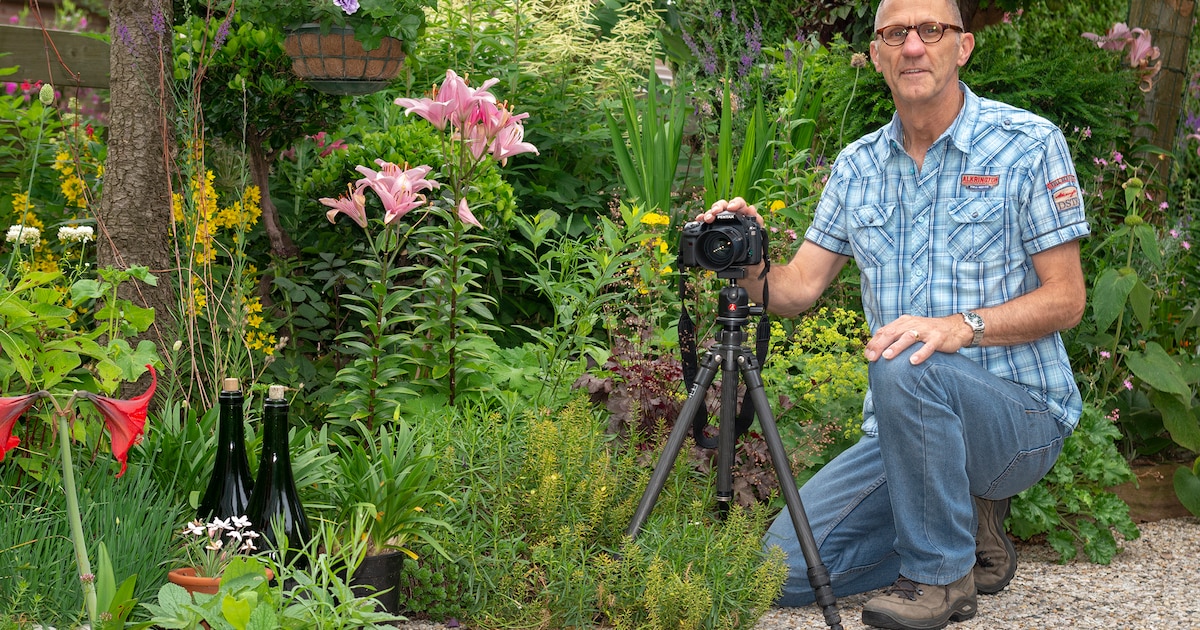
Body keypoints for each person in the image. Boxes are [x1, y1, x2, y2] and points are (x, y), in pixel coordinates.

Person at [694, 0, 1090, 628]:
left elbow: (1067, 299)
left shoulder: (1028, 145)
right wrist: (744, 257)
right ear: (876, 54)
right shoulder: (857, 167)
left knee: (908, 355)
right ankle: (956, 529)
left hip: (1018, 418)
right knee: (779, 571)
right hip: (905, 435)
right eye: (894, 33)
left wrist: (960, 327)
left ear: (962, 47)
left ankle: (941, 579)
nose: (912, 46)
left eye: (930, 30)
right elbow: (795, 289)